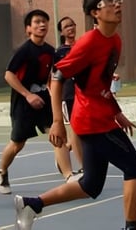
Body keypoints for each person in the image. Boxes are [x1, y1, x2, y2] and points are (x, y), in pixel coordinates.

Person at [14, 0, 136, 230]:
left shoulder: (115, 41)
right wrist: (56, 122)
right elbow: (56, 75)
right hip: (92, 121)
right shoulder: (88, 43)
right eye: (110, 1)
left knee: (91, 184)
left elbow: (100, 85)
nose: (117, 4)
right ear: (95, 12)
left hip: (102, 117)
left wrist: (117, 112)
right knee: (134, 168)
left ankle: (32, 204)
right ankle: (131, 228)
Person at [0, 9, 56, 195]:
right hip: (22, 101)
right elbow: (8, 75)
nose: (42, 25)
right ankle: (2, 172)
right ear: (28, 28)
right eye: (37, 22)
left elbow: (52, 76)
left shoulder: (50, 50)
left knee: (57, 135)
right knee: (17, 143)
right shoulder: (23, 50)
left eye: (45, 21)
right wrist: (28, 95)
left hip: (43, 98)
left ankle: (68, 174)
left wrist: (51, 93)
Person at [52, 16, 84, 181]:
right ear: (61, 32)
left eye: (72, 25)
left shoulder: (82, 46)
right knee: (76, 130)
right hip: (69, 95)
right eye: (66, 26)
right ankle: (84, 168)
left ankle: (65, 152)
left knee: (82, 131)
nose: (70, 28)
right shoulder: (59, 52)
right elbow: (56, 77)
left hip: (84, 94)